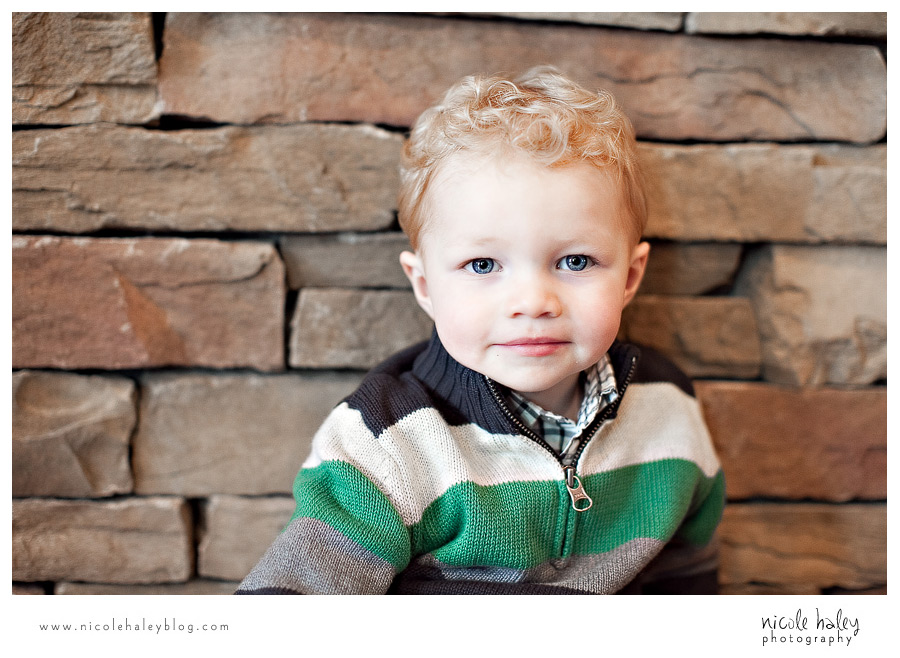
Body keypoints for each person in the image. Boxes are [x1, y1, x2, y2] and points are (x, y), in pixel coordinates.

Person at [236, 66, 725, 595]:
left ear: (629, 277)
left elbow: (686, 578)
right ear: (424, 285)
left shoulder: (667, 406)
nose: (534, 302)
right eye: (484, 265)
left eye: (576, 261)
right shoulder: (388, 442)